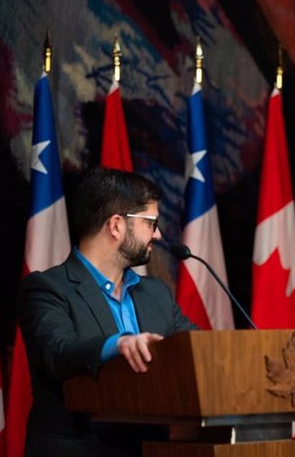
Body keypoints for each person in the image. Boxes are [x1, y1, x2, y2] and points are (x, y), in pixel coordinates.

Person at [18, 167, 197, 457]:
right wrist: (118, 345)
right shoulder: (46, 289)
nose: (159, 233)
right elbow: (57, 352)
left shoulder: (156, 293)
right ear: (116, 225)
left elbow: (197, 348)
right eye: (151, 222)